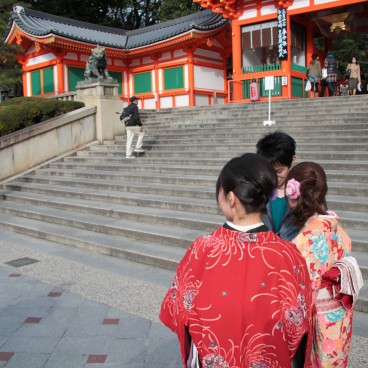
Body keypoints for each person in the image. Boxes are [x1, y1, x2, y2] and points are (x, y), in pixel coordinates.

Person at [160, 153, 312, 368]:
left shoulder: (202, 248)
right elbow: (298, 324)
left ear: (231, 198)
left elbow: (176, 310)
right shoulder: (288, 253)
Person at [285, 162, 362, 367]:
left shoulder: (305, 240)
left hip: (318, 316)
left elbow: (301, 292)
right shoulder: (335, 226)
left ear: (294, 193)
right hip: (339, 312)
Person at [256, 131, 299, 240]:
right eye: (268, 170)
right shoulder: (259, 188)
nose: (273, 176)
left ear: (293, 160)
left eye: (279, 171)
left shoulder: (306, 188)